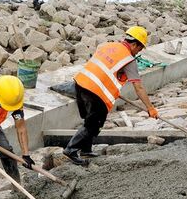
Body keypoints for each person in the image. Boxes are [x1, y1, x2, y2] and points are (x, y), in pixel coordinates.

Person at [63, 26, 158, 165]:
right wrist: (150, 108)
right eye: (140, 48)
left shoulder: (109, 45)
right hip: (95, 91)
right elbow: (138, 87)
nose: (140, 51)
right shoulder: (128, 60)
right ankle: (70, 150)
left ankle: (85, 149)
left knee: (90, 120)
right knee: (93, 123)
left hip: (80, 83)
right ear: (134, 44)